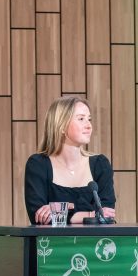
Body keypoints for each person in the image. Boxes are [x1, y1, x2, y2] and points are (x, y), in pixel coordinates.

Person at [25, 96, 116, 224]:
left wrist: (60, 210)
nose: (89, 126)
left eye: (89, 119)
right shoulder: (38, 164)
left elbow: (106, 215)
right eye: (81, 119)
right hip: (51, 238)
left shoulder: (100, 165)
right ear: (61, 125)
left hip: (93, 238)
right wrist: (90, 214)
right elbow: (38, 215)